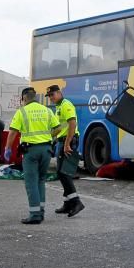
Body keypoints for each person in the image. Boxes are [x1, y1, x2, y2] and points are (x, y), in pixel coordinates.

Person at [7, 87, 59, 224]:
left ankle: (35, 215)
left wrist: (7, 148)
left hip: (31, 152)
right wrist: (48, 137)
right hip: (47, 150)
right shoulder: (47, 110)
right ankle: (41, 212)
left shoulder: (22, 111)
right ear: (35, 97)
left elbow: (12, 132)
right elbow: (58, 127)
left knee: (31, 183)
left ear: (24, 98)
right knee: (41, 180)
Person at [46, 85, 84, 217]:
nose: (51, 98)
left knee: (65, 173)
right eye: (49, 96)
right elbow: (63, 127)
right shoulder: (59, 107)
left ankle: (77, 202)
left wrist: (67, 144)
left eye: (52, 95)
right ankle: (68, 203)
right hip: (63, 141)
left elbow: (72, 124)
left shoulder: (66, 105)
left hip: (69, 141)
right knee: (61, 173)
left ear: (59, 93)